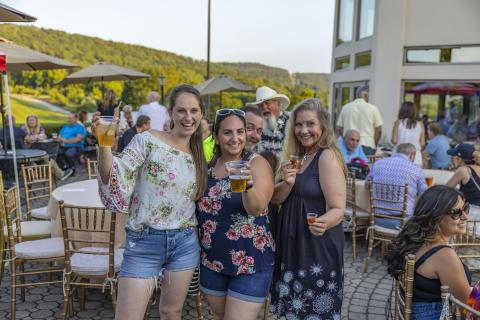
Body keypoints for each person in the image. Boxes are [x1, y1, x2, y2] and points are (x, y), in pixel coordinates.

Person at [95, 84, 207, 320]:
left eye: (194, 111)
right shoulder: (147, 140)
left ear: (201, 114)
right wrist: (104, 143)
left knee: (171, 312)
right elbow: (112, 175)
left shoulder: (200, 152)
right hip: (144, 242)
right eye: (182, 111)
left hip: (185, 242)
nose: (188, 117)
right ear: (171, 112)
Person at [270, 98, 346, 319]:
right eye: (299, 124)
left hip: (316, 245)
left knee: (313, 308)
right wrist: (287, 182)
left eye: (310, 124)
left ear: (323, 126)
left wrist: (325, 222)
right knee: (294, 307)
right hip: (292, 242)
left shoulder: (327, 157)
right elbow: (276, 199)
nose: (303, 130)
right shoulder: (297, 156)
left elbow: (338, 208)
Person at [197, 108, 274, 320]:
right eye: (228, 132)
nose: (235, 138)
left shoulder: (256, 163)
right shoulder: (208, 168)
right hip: (213, 262)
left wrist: (248, 186)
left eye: (240, 132)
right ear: (216, 136)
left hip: (250, 263)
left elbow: (257, 209)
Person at [385, 186, 471, 320]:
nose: (465, 216)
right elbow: (468, 306)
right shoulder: (445, 256)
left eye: (465, 208)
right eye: (456, 212)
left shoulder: (416, 240)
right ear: (436, 217)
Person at [365, 143, 428, 230]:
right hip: (402, 222)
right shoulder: (416, 169)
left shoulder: (378, 164)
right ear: (412, 155)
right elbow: (425, 195)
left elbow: (367, 185)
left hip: (376, 219)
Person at [336, 86, 383, 154]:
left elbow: (340, 128)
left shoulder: (346, 107)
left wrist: (346, 140)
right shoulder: (373, 108)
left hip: (348, 146)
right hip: (367, 145)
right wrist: (374, 144)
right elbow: (379, 130)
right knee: (366, 164)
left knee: (347, 164)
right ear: (365, 95)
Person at [246, 86, 290, 157]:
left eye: (267, 103)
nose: (264, 107)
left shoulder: (291, 121)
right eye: (260, 105)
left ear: (278, 105)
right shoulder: (256, 125)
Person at [446, 144, 480, 219]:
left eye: (453, 156)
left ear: (459, 158)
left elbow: (446, 190)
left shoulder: (463, 170)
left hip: (473, 215)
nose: (452, 158)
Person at [391, 102, 425, 167]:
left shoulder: (398, 122)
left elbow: (394, 141)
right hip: (415, 156)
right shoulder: (420, 124)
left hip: (399, 155)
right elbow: (422, 143)